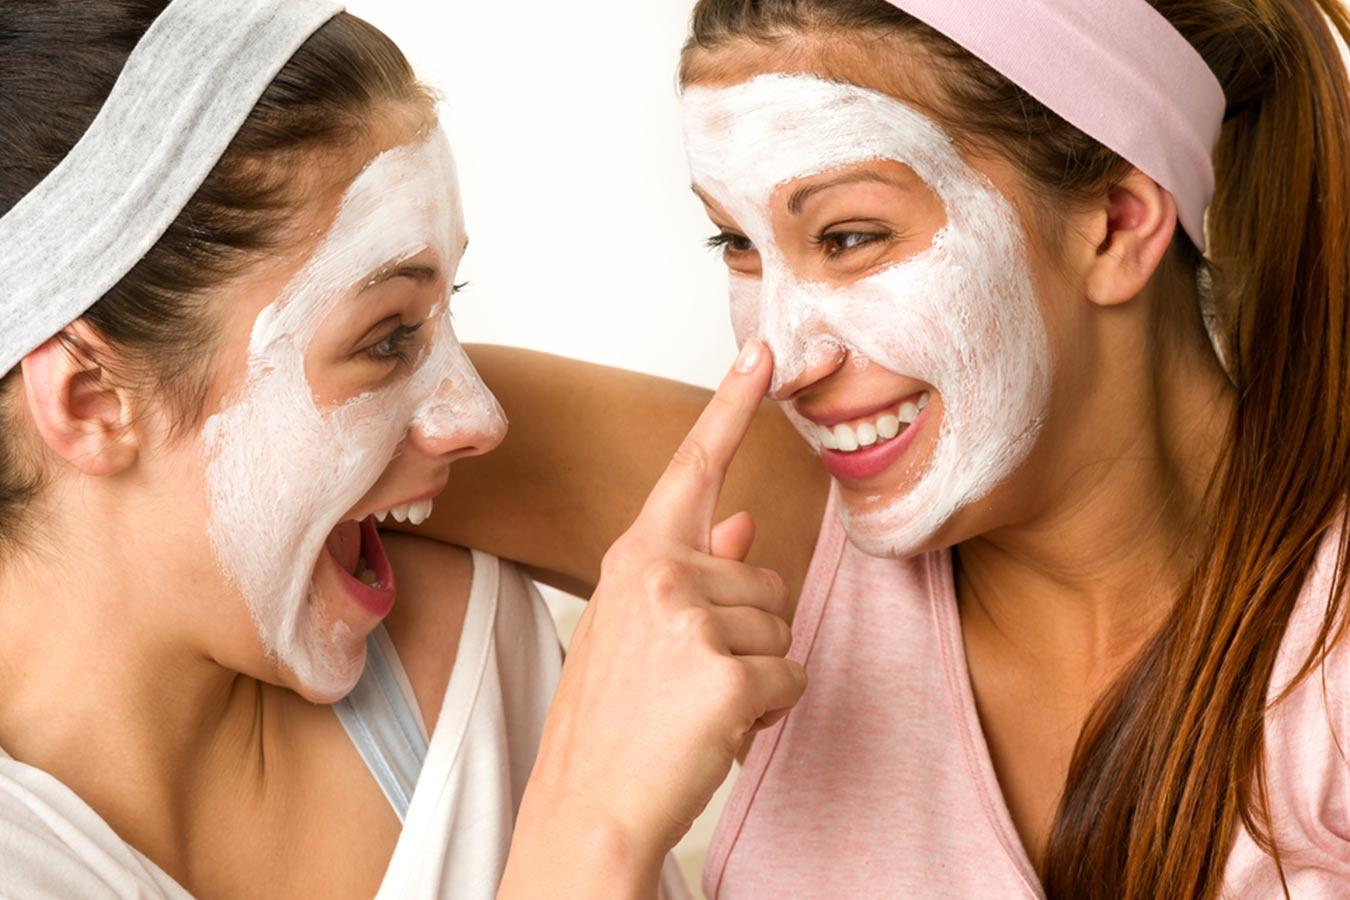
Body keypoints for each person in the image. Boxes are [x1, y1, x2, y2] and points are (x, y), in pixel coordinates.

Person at [422, 0, 1350, 896]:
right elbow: (313, 420)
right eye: (737, 244)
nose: (777, 358)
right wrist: (591, 818)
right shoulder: (766, 530)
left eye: (850, 237)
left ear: (1115, 222)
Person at [0, 2, 804, 897]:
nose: (482, 420)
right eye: (386, 337)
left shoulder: (454, 646)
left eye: (445, 307)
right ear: (90, 400)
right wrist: (590, 832)